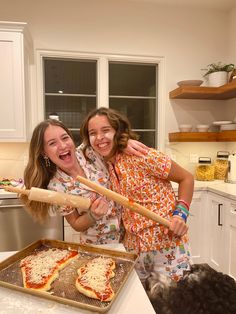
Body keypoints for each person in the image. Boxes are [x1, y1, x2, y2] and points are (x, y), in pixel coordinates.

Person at [79, 107, 194, 285]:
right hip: (134, 250)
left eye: (106, 130)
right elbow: (74, 151)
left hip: (166, 246)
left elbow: (186, 177)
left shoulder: (142, 155)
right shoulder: (105, 162)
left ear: (117, 131)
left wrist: (181, 214)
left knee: (173, 304)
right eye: (93, 133)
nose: (99, 137)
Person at [21, 119, 148, 245]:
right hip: (98, 246)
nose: (63, 146)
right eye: (52, 143)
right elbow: (76, 224)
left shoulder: (90, 152)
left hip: (129, 236)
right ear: (44, 152)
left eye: (65, 138)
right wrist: (93, 215)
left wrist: (125, 143)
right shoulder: (56, 186)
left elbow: (110, 141)